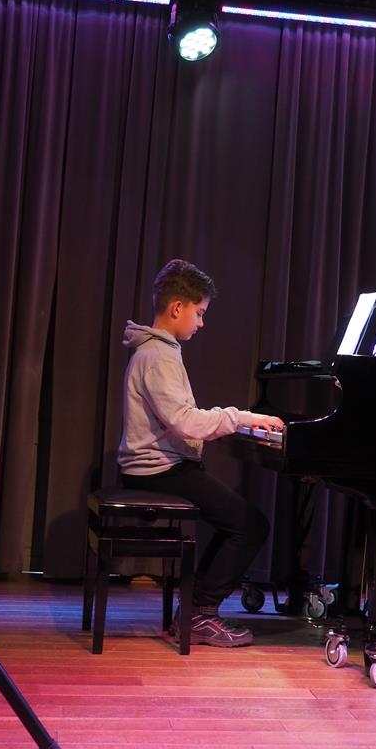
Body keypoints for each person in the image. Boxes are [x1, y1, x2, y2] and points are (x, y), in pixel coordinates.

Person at [118, 258, 284, 647]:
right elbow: (186, 422)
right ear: (178, 308)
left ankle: (195, 609)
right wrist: (242, 418)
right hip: (158, 470)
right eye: (200, 312)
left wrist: (233, 423)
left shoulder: (158, 350)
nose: (202, 322)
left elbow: (181, 419)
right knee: (250, 525)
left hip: (162, 465)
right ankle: (199, 614)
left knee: (236, 521)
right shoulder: (158, 356)